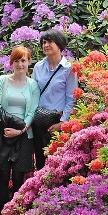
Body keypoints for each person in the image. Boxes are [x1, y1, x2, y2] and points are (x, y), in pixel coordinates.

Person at [0, 46, 40, 212]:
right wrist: (10, 124)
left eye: (23, 60)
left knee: (19, 176)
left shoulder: (32, 85)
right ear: (11, 63)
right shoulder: (2, 81)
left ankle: (16, 214)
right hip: (4, 133)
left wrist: (20, 129)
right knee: (3, 175)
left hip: (24, 136)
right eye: (16, 61)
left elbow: (32, 111)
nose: (20, 64)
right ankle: (3, 212)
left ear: (29, 62)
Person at [31, 29, 78, 169]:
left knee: (57, 163)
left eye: (50, 42)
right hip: (39, 120)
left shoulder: (69, 69)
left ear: (59, 44)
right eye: (44, 42)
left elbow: (72, 98)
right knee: (40, 160)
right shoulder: (38, 67)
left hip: (57, 122)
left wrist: (63, 123)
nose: (46, 45)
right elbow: (32, 93)